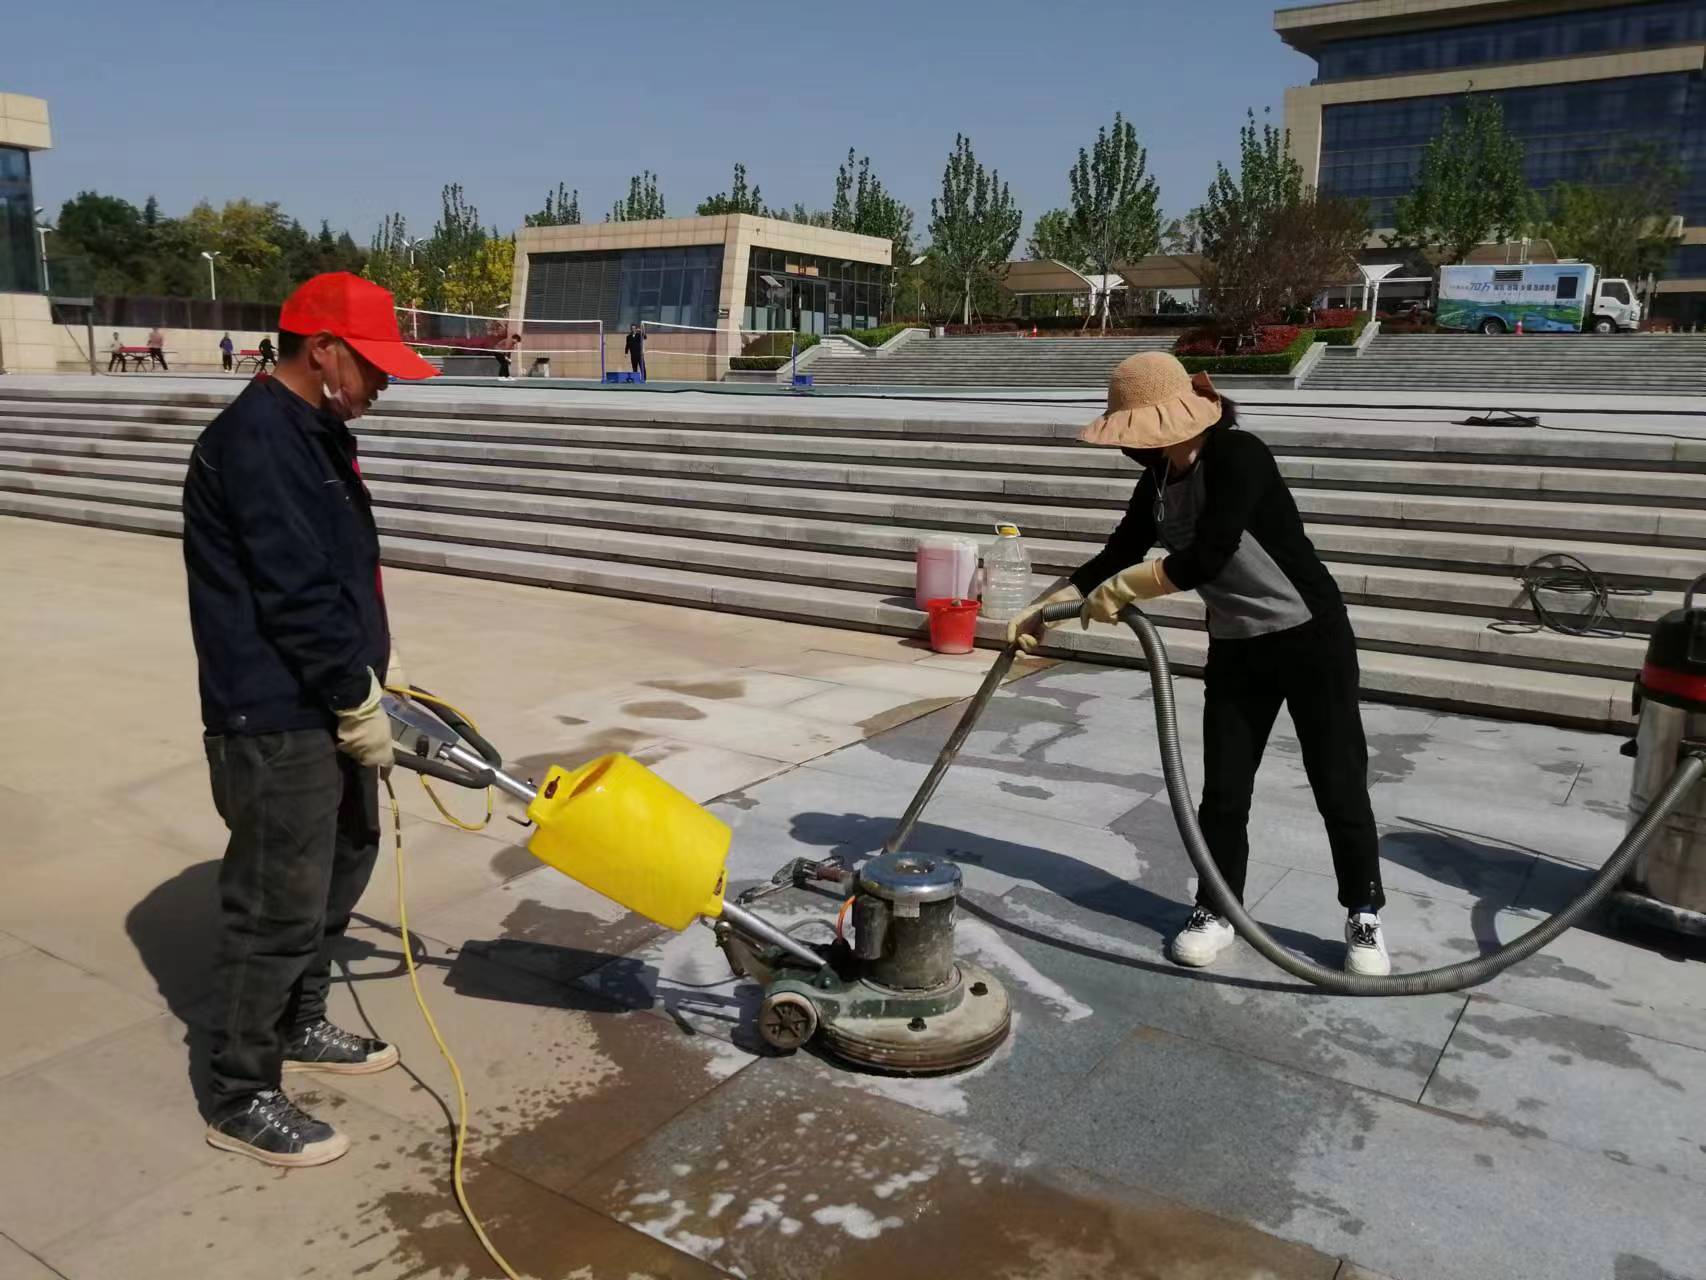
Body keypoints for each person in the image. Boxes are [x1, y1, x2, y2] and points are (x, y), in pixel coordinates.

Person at [1009, 352, 1390, 977]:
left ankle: (1363, 912)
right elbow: (1119, 550)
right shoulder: (1158, 480)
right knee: (1224, 792)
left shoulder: (1240, 455)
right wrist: (1045, 606)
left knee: (1337, 781)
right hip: (1238, 645)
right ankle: (1217, 907)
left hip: (1311, 638)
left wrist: (1128, 588)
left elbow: (1210, 555)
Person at [182, 271, 439, 1168]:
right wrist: (351, 693)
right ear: (323, 349)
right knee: (276, 908)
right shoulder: (256, 440)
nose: (385, 383)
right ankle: (240, 1093)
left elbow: (340, 573)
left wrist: (379, 670)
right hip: (276, 713)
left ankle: (300, 1020)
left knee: (342, 867)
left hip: (332, 694)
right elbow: (293, 593)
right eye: (374, 365)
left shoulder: (317, 433)